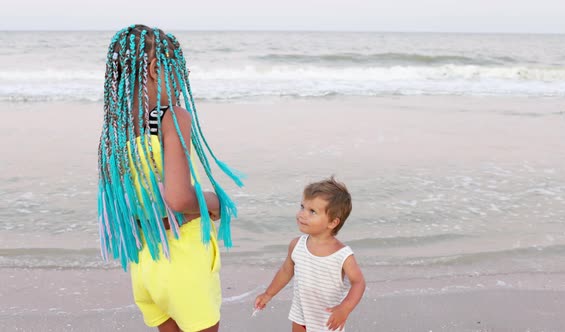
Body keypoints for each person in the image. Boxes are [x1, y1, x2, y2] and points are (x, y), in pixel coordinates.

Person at [97, 24, 243, 332]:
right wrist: (217, 202)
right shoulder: (171, 117)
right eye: (177, 71)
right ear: (153, 69)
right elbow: (178, 199)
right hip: (182, 264)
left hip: (145, 265)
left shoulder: (117, 132)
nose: (180, 82)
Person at [254, 177, 366, 332]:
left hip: (328, 319)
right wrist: (268, 294)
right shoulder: (297, 245)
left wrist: (345, 308)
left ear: (333, 222)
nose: (302, 214)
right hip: (301, 314)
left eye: (312, 211)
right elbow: (286, 271)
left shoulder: (342, 255)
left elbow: (358, 283)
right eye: (302, 207)